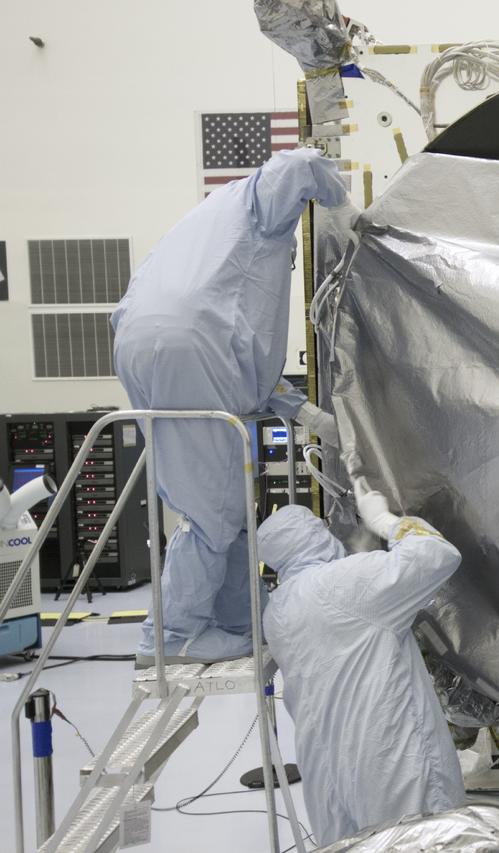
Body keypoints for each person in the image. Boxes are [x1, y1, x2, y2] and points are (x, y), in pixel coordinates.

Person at [114, 148, 349, 666]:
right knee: (212, 508)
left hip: (145, 342)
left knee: (227, 498)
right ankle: (174, 636)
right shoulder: (255, 200)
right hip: (188, 349)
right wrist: (346, 211)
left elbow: (238, 356)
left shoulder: (207, 226)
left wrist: (307, 415)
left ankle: (241, 618)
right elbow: (298, 166)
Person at [258, 495, 465, 846]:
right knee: (423, 840)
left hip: (328, 772)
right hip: (389, 761)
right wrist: (384, 521)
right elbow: (436, 554)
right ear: (313, 535)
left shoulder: (276, 610)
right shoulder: (341, 582)